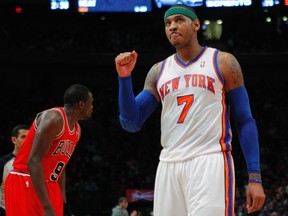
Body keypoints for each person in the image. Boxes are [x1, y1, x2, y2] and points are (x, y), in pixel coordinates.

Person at [114, 4, 266, 216]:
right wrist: (124, 78)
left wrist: (255, 176)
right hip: (168, 163)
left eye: (179, 20)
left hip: (209, 160)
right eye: (168, 23)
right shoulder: (158, 71)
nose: (172, 27)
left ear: (196, 25)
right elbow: (131, 122)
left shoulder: (222, 62)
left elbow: (245, 120)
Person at [4, 84, 93, 216]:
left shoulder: (77, 130)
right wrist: (47, 206)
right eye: (91, 103)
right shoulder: (54, 118)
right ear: (81, 104)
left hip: (50, 184)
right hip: (25, 179)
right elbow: (33, 161)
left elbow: (61, 166)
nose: (92, 107)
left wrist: (63, 201)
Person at [0, 124, 30, 216]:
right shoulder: (3, 163)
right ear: (14, 140)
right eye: (23, 137)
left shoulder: (36, 163)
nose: (27, 140)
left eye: (29, 137)